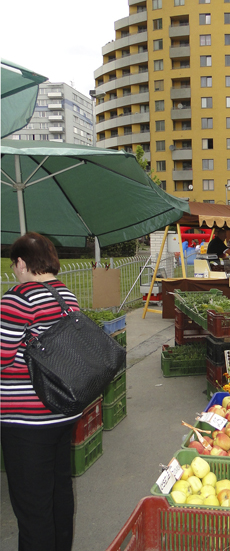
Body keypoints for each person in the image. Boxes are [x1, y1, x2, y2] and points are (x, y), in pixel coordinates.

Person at [1, 232, 82, 551]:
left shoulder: (18, 298)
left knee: (32, 507)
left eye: (13, 265)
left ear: (21, 263)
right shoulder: (66, 295)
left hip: (27, 420)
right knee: (58, 493)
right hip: (62, 410)